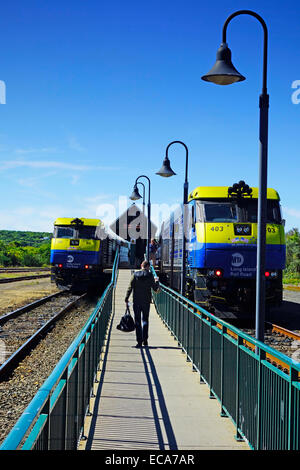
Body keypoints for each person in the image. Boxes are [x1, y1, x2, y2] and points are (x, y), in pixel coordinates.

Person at [125, 260, 159, 348]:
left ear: (141, 266)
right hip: (146, 302)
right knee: (145, 320)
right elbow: (156, 289)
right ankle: (145, 340)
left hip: (136, 302)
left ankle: (139, 342)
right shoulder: (150, 275)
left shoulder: (135, 275)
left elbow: (130, 287)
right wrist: (157, 281)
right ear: (148, 267)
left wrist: (126, 298)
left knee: (137, 321)